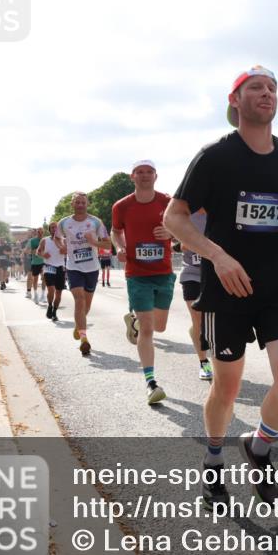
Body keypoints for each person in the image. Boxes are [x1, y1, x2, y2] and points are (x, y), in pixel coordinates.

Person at [164, 65, 278, 507]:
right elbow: (173, 218)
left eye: (273, 87)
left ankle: (259, 445)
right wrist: (217, 254)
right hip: (226, 288)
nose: (267, 93)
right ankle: (213, 461)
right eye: (256, 88)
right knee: (227, 389)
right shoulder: (215, 156)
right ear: (235, 100)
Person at [111, 160, 176, 404]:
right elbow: (116, 231)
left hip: (163, 271)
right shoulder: (122, 206)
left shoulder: (167, 202)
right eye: (140, 172)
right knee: (149, 330)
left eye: (149, 172)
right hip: (137, 274)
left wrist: (171, 233)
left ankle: (135, 322)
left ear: (156, 176)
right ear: (133, 177)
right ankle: (151, 383)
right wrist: (119, 247)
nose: (145, 175)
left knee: (160, 327)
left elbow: (183, 228)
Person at [57, 193, 111, 356]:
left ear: (87, 204)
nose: (80, 205)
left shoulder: (95, 222)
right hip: (74, 267)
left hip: (92, 267)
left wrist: (93, 242)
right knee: (79, 301)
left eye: (83, 202)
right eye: (77, 202)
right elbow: (57, 238)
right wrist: (62, 246)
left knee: (86, 305)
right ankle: (84, 339)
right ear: (72, 204)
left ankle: (78, 325)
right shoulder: (64, 222)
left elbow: (108, 243)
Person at [177, 211, 214, 381]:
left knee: (214, 322)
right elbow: (180, 245)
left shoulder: (220, 210)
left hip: (215, 275)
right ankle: (204, 363)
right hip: (191, 274)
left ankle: (198, 333)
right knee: (198, 319)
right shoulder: (184, 214)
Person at [38, 221, 66, 321]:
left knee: (58, 293)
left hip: (60, 268)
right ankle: (50, 305)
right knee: (51, 289)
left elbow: (67, 252)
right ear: (49, 230)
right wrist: (43, 255)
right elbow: (38, 251)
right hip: (49, 267)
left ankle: (54, 311)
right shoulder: (44, 240)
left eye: (56, 228)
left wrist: (61, 245)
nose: (54, 229)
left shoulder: (64, 240)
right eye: (52, 228)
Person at [25, 229, 45, 302]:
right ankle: (29, 291)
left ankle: (43, 295)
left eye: (41, 232)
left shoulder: (45, 240)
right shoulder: (31, 241)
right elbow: (27, 251)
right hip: (32, 261)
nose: (39, 234)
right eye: (37, 232)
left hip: (43, 262)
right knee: (31, 277)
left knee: (44, 277)